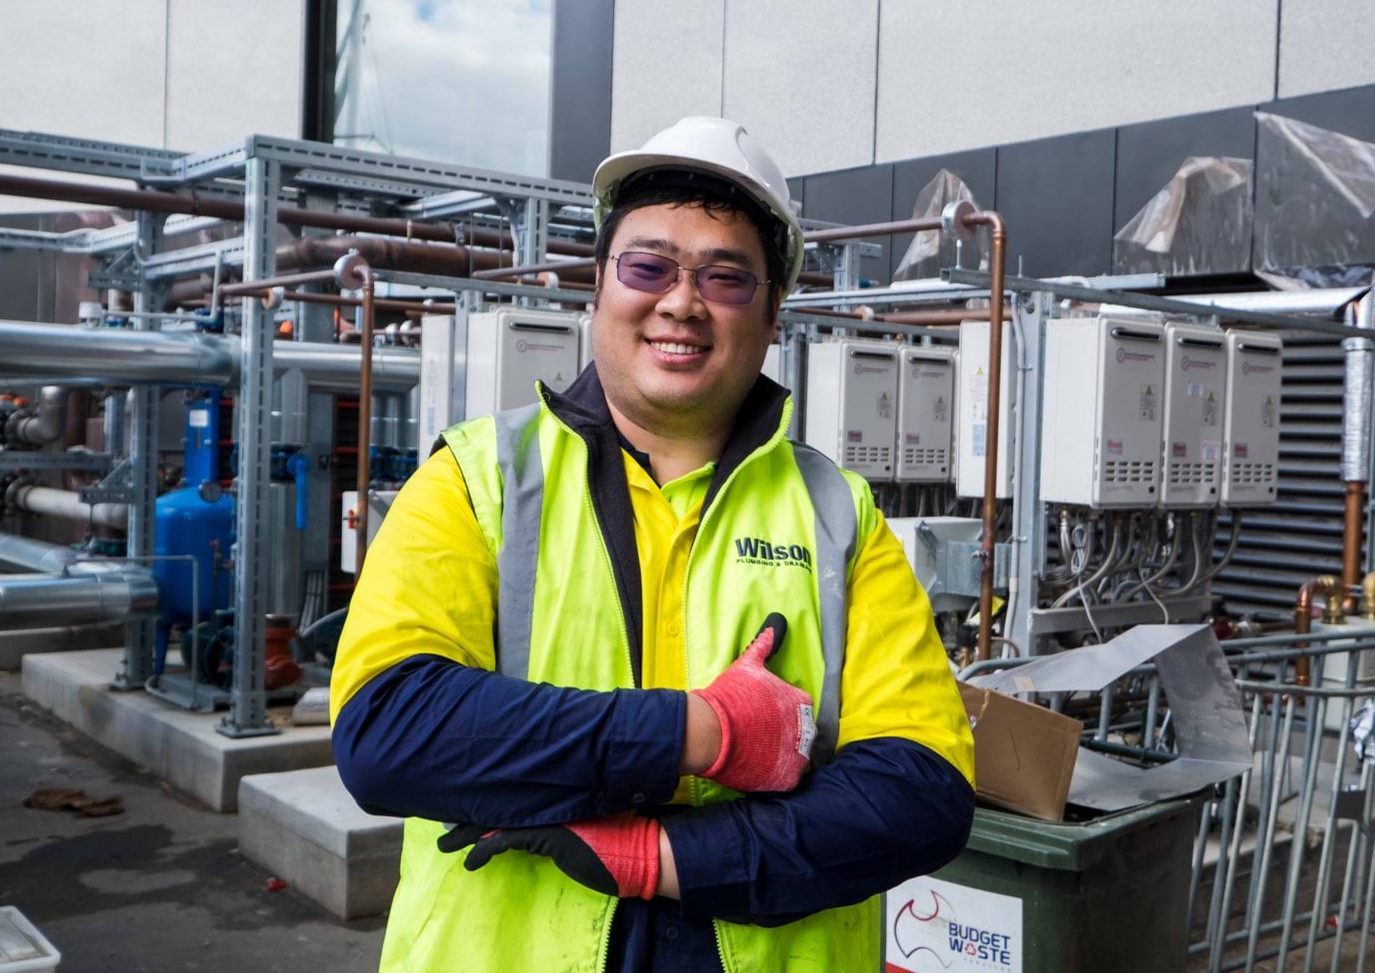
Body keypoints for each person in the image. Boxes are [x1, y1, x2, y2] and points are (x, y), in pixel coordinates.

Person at [330, 116, 975, 972]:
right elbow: (389, 732)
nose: (681, 301)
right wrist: (701, 733)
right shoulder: (476, 481)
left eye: (727, 277)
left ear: (773, 311)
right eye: (649, 267)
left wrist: (659, 860)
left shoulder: (836, 514)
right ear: (599, 284)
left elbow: (920, 793)